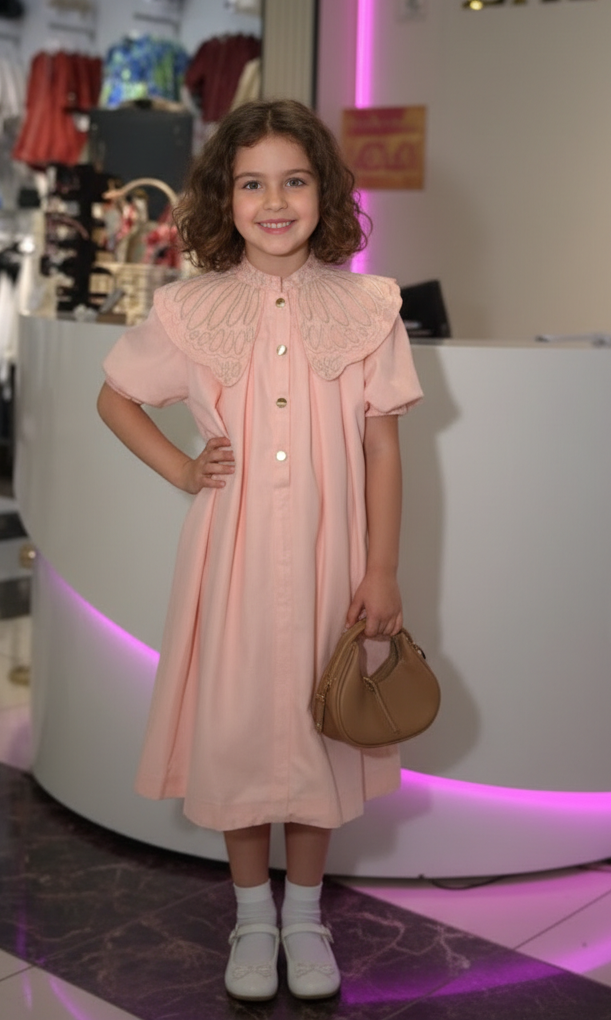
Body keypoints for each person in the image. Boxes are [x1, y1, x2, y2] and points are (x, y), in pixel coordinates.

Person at [96, 99, 423, 1002]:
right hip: (230, 556)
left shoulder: (369, 306)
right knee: (239, 731)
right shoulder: (190, 307)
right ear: (224, 197)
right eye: (252, 184)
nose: (274, 202)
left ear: (325, 192)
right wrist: (182, 467)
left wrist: (382, 569)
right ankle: (251, 916)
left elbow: (383, 447)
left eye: (294, 181)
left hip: (333, 559)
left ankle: (305, 915)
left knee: (325, 726)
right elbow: (117, 397)